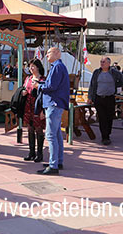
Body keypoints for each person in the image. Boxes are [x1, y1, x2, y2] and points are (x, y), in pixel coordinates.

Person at [35, 47, 69, 175]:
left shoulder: (57, 67)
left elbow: (51, 86)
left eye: (49, 52)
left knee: (51, 135)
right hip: (56, 103)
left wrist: (39, 86)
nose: (47, 55)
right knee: (57, 135)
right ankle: (57, 161)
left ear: (57, 53)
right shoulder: (58, 67)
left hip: (54, 103)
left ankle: (53, 165)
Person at [87, 57, 123, 145]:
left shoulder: (114, 72)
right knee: (102, 118)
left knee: (109, 117)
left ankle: (107, 134)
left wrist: (115, 85)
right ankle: (104, 137)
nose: (102, 63)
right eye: (101, 62)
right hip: (99, 98)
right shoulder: (96, 72)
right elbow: (92, 85)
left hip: (110, 98)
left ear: (109, 63)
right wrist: (90, 97)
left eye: (104, 62)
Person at [22, 59, 46, 162]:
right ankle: (31, 152)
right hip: (28, 106)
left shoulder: (43, 79)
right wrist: (24, 92)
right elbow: (24, 88)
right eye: (30, 66)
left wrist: (43, 111)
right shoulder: (28, 78)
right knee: (30, 128)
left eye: (33, 66)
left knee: (38, 129)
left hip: (38, 106)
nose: (31, 68)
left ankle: (39, 154)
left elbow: (45, 95)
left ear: (38, 67)